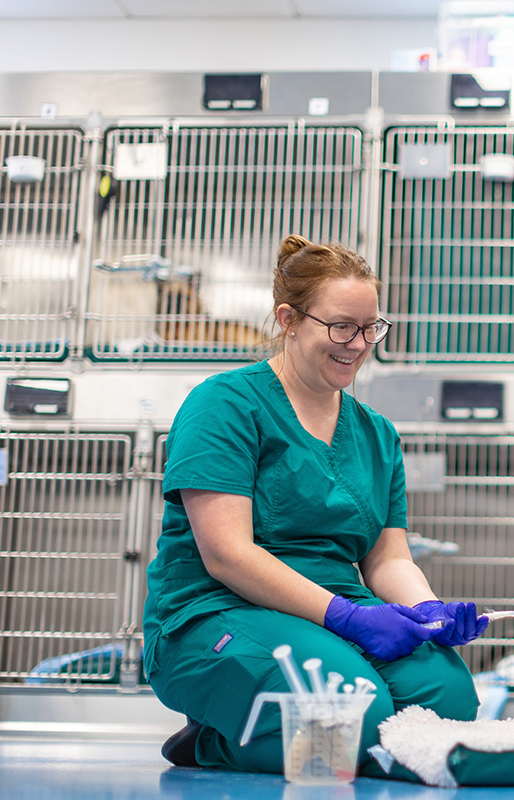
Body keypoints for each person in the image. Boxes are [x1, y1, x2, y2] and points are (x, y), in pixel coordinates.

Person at [142, 235, 486, 773]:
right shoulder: (225, 404)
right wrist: (346, 617)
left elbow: (388, 557)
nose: (358, 343)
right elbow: (227, 554)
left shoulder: (377, 433)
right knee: (350, 709)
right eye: (341, 326)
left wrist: (425, 610)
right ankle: (211, 743)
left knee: (449, 703)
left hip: (335, 615)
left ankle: (313, 742)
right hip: (219, 609)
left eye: (371, 327)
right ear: (289, 319)